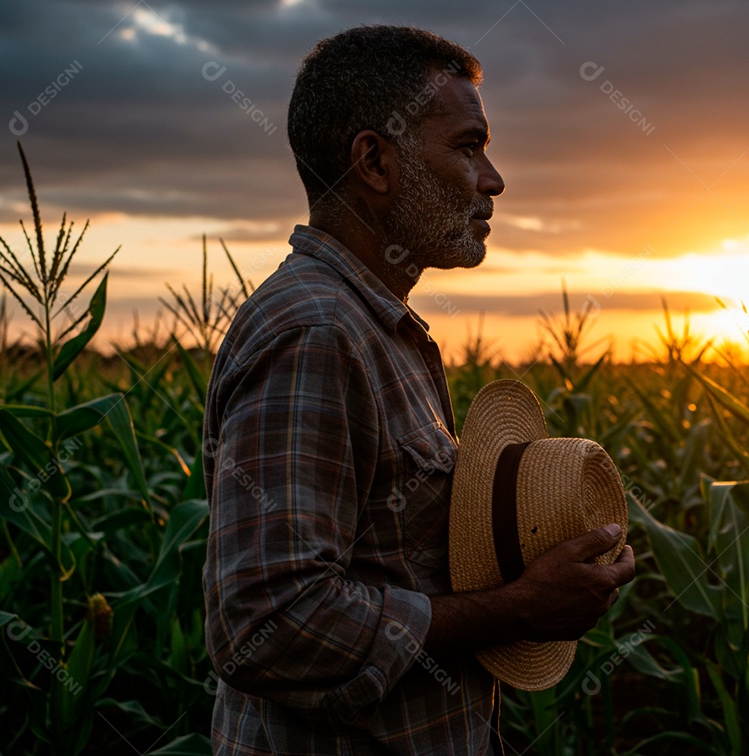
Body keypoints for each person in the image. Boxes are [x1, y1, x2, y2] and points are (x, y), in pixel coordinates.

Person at [202, 25, 636, 755]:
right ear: (375, 160)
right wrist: (514, 612)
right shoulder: (318, 332)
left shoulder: (380, 328)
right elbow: (265, 626)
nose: (492, 180)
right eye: (469, 146)